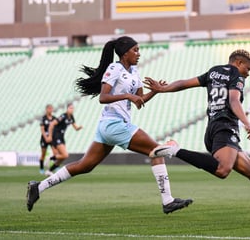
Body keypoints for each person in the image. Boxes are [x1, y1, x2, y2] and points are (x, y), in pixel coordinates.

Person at [27, 36, 193, 214]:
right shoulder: (114, 68)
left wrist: (155, 91)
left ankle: (39, 187)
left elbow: (140, 100)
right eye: (135, 50)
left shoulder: (135, 72)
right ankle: (167, 201)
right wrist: (128, 96)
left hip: (110, 126)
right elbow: (103, 97)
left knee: (85, 165)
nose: (139, 53)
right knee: (156, 151)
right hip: (113, 124)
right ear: (124, 53)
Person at [144, 49, 250, 224]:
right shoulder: (236, 76)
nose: (248, 74)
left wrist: (163, 88)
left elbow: (184, 83)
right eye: (248, 69)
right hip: (225, 127)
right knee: (222, 170)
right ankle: (175, 149)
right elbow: (234, 100)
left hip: (213, 128)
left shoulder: (214, 71)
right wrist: (247, 123)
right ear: (239, 63)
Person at [44, 103, 83, 176]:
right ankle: (50, 158)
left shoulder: (71, 117)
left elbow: (75, 127)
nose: (72, 109)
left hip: (61, 137)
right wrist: (49, 136)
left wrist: (79, 128)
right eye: (70, 108)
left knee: (62, 158)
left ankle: (49, 170)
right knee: (65, 155)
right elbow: (52, 124)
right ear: (67, 109)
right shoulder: (63, 116)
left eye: (72, 108)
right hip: (56, 136)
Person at [38, 104, 56, 175]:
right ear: (46, 109)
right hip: (44, 139)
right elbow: (42, 129)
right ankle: (42, 168)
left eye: (51, 109)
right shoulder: (43, 118)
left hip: (52, 138)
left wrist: (51, 137)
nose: (50, 110)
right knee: (43, 154)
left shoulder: (54, 118)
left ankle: (54, 165)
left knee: (56, 153)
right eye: (49, 109)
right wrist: (46, 138)